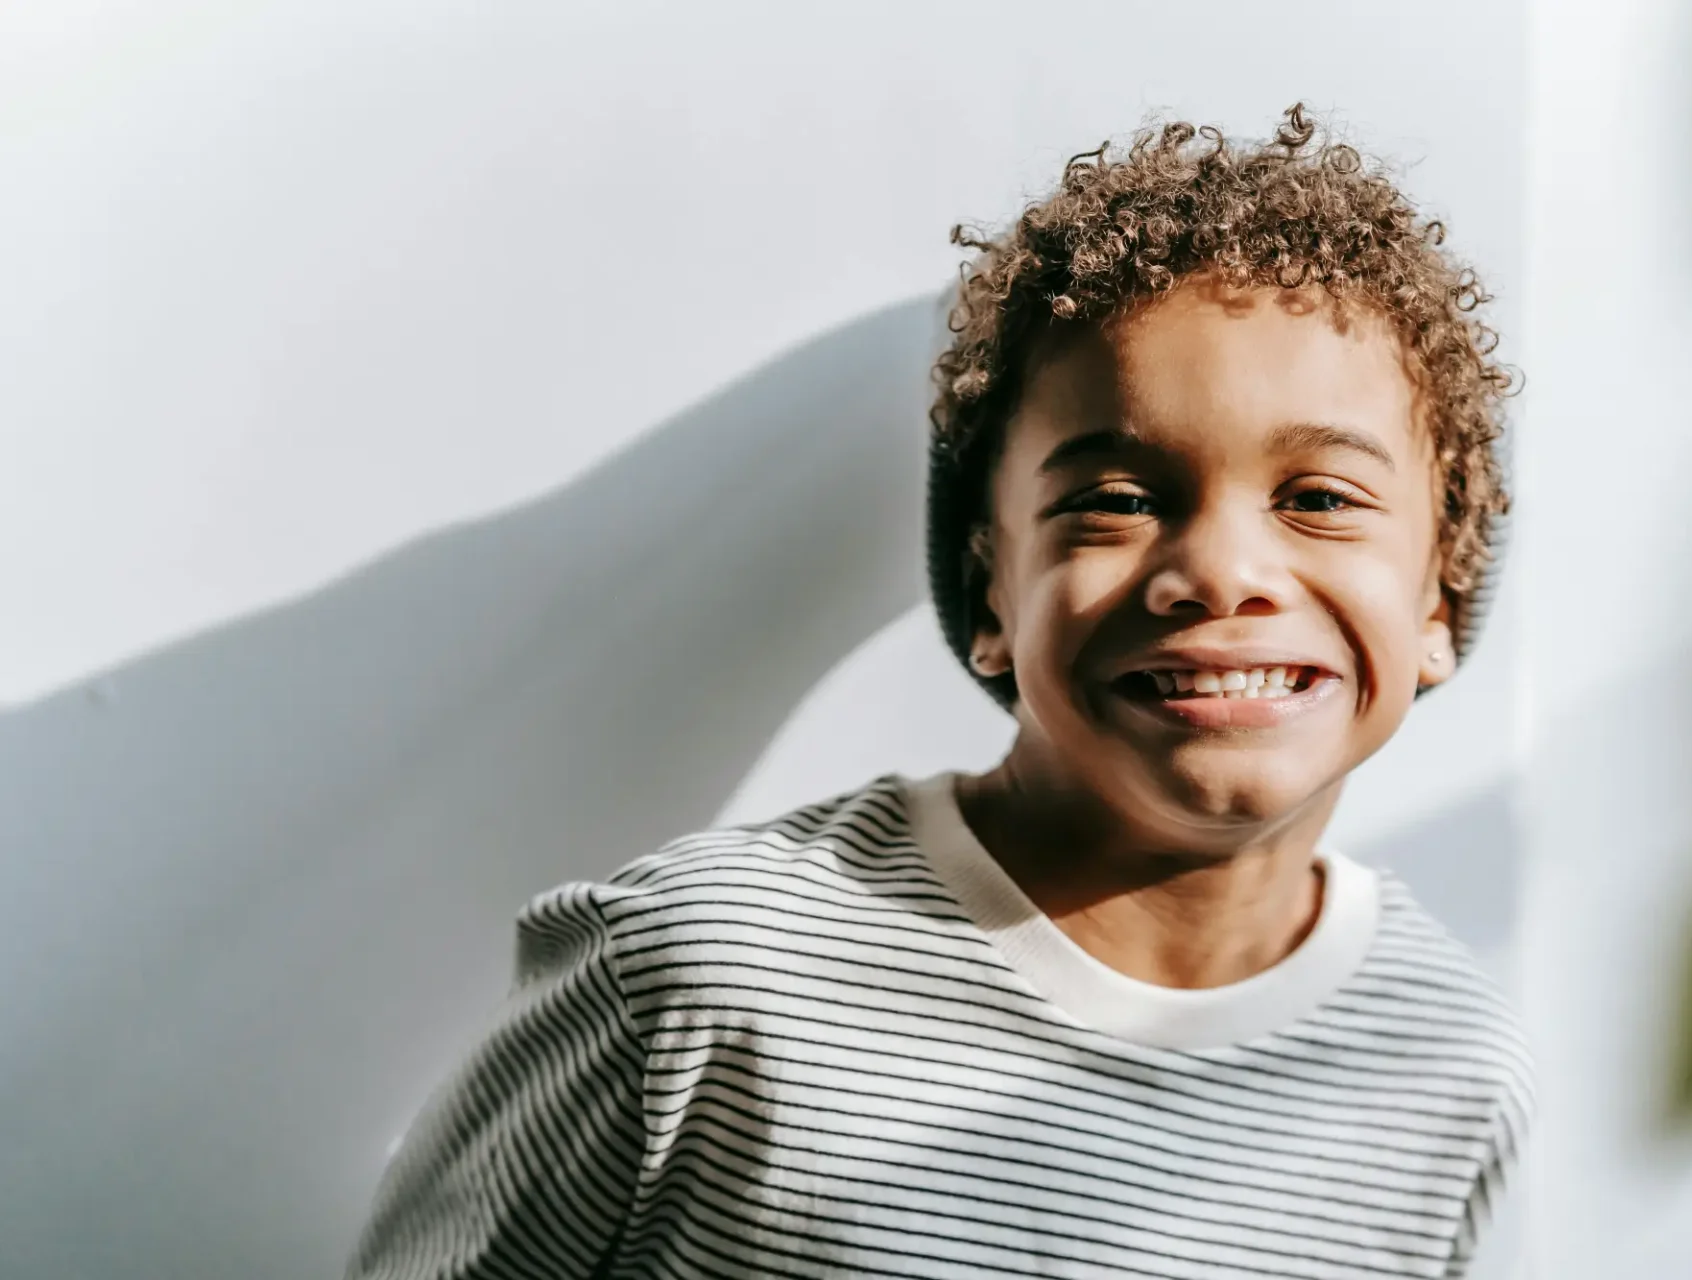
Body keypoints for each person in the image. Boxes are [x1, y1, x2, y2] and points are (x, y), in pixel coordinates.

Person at [346, 106, 1532, 1279]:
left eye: (1320, 497)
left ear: (1441, 594)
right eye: (1115, 498)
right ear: (990, 596)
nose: (1220, 570)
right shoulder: (699, 974)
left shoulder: (1445, 1059)